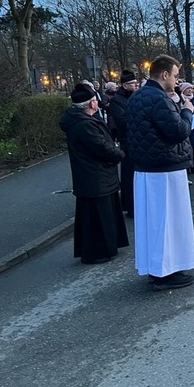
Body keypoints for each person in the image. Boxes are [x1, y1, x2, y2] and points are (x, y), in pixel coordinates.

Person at [127, 54, 194, 291]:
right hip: (164, 169)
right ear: (165, 74)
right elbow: (178, 131)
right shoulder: (158, 99)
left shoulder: (137, 97)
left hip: (147, 168)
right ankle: (163, 272)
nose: (177, 81)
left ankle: (159, 268)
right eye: (176, 75)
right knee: (167, 222)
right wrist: (187, 111)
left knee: (154, 223)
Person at [60, 83, 128, 264]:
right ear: (91, 104)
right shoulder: (83, 125)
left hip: (96, 176)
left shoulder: (83, 121)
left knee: (99, 216)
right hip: (95, 176)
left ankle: (105, 248)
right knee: (98, 218)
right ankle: (98, 252)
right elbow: (101, 147)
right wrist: (120, 154)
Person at [107, 69, 139, 218]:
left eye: (135, 83)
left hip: (138, 139)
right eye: (132, 83)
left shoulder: (135, 96)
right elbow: (122, 120)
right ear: (124, 85)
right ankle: (130, 205)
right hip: (127, 140)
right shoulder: (116, 100)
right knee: (129, 174)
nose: (135, 86)